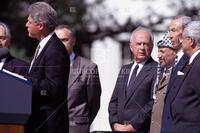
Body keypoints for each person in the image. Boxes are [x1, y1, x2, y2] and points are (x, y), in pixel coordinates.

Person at [25, 2, 70, 133]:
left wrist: (25, 82)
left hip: (49, 126)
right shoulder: (43, 46)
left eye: (29, 22)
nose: (26, 25)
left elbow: (53, 88)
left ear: (40, 26)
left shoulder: (55, 50)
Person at [108, 27, 157, 132]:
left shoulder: (157, 69)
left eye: (146, 44)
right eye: (139, 44)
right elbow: (114, 100)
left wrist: (133, 126)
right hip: (119, 129)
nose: (142, 48)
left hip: (141, 129)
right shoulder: (124, 69)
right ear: (131, 46)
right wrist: (114, 123)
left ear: (152, 47)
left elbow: (153, 102)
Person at [55, 25, 101, 133]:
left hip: (76, 129)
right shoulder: (47, 66)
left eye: (64, 40)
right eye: (57, 41)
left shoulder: (89, 68)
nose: (60, 44)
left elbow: (94, 102)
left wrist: (82, 124)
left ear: (73, 41)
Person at [168, 21, 200, 132]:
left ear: (191, 41)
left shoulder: (198, 64)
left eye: (183, 37)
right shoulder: (192, 62)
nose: (181, 40)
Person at [161, 16, 191, 132]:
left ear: (185, 33)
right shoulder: (176, 59)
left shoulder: (192, 60)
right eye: (169, 30)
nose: (169, 35)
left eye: (173, 30)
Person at [149, 32, 176, 133]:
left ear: (174, 53)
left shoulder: (178, 76)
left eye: (162, 51)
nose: (158, 55)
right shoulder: (159, 74)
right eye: (158, 51)